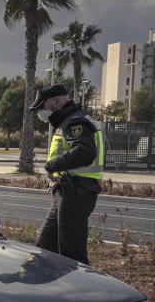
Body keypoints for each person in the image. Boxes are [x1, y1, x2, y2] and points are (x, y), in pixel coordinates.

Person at [31, 83, 105, 265]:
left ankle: (80, 290)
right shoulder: (68, 120)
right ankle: (37, 286)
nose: (41, 112)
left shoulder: (75, 121)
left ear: (56, 102)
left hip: (77, 192)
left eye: (43, 107)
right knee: (45, 248)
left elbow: (85, 152)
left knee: (71, 253)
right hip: (67, 190)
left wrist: (51, 166)